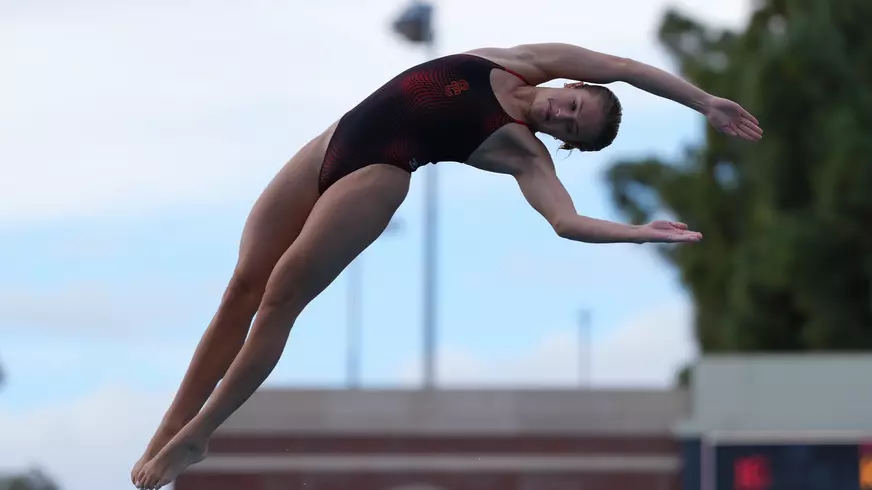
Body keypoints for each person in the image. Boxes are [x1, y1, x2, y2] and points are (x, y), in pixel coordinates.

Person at [131, 42, 762, 489]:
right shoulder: (522, 59)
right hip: (334, 141)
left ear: (567, 144)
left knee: (277, 300)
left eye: (573, 126)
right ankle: (170, 425)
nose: (561, 113)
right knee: (239, 289)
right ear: (568, 84)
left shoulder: (524, 155)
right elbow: (622, 66)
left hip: (377, 177)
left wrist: (640, 234)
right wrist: (703, 101)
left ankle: (201, 432)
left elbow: (566, 224)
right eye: (573, 102)